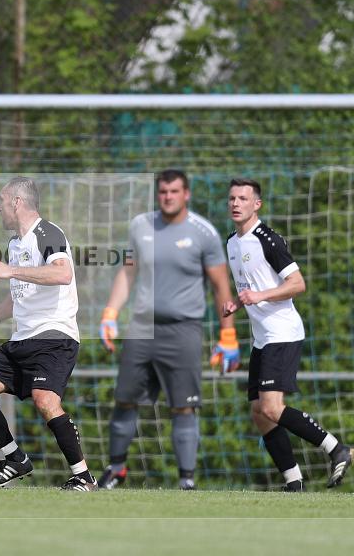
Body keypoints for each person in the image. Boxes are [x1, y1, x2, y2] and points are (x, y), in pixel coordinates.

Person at [97, 169, 237, 491]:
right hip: (142, 329)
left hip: (183, 331)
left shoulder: (204, 233)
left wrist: (228, 335)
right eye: (163, 191)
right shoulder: (140, 226)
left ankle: (187, 479)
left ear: (186, 194)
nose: (168, 197)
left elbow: (221, 288)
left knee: (183, 406)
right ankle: (115, 469)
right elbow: (127, 274)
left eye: (174, 191)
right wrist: (110, 313)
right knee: (125, 400)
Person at [0, 177, 97, 491]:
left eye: (1, 201)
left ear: (17, 203)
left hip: (54, 335)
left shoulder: (47, 233)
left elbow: (62, 273)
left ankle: (83, 476)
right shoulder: (14, 244)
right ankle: (15, 459)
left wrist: (9, 271)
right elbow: (21, 291)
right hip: (23, 338)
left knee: (45, 399)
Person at [223, 178, 354, 491]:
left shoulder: (267, 239)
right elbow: (251, 289)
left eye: (243, 198)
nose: (236, 204)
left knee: (271, 407)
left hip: (282, 332)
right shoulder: (231, 242)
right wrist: (238, 303)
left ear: (257, 204)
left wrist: (261, 296)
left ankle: (337, 449)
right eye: (232, 198)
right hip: (261, 336)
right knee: (259, 413)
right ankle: (293, 481)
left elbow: (297, 284)